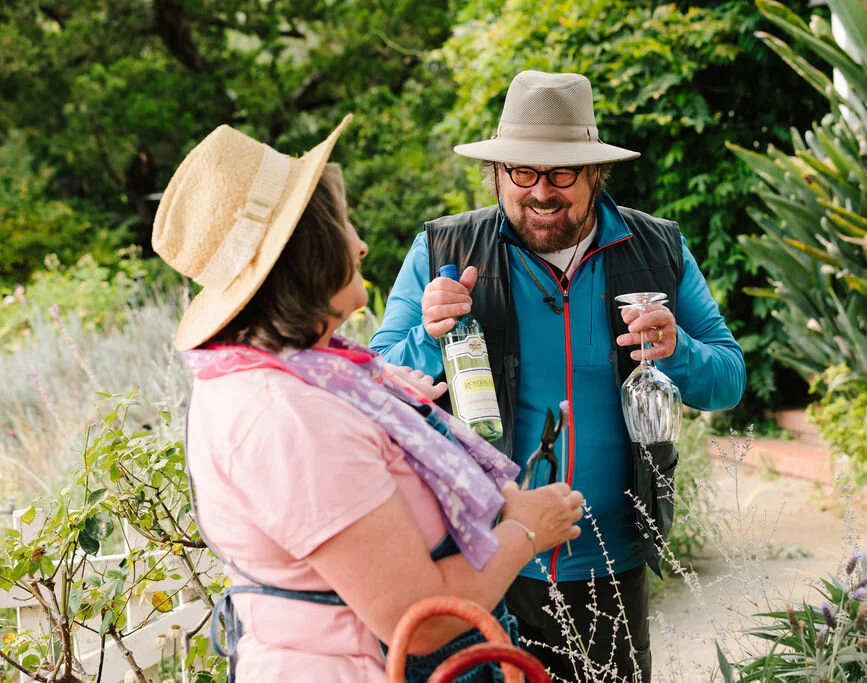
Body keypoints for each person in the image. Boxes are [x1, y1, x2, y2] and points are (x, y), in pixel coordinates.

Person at [151, 114, 584, 682]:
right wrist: (528, 529)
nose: (360, 244)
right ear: (308, 254)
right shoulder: (288, 419)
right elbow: (420, 619)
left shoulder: (314, 375)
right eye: (344, 227)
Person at [369, 70, 746, 681]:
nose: (541, 191)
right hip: (486, 563)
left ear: (596, 174)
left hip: (612, 566)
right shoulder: (442, 248)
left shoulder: (658, 249)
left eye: (562, 173)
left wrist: (677, 349)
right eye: (523, 172)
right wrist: (430, 338)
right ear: (496, 174)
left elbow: (728, 379)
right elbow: (376, 384)